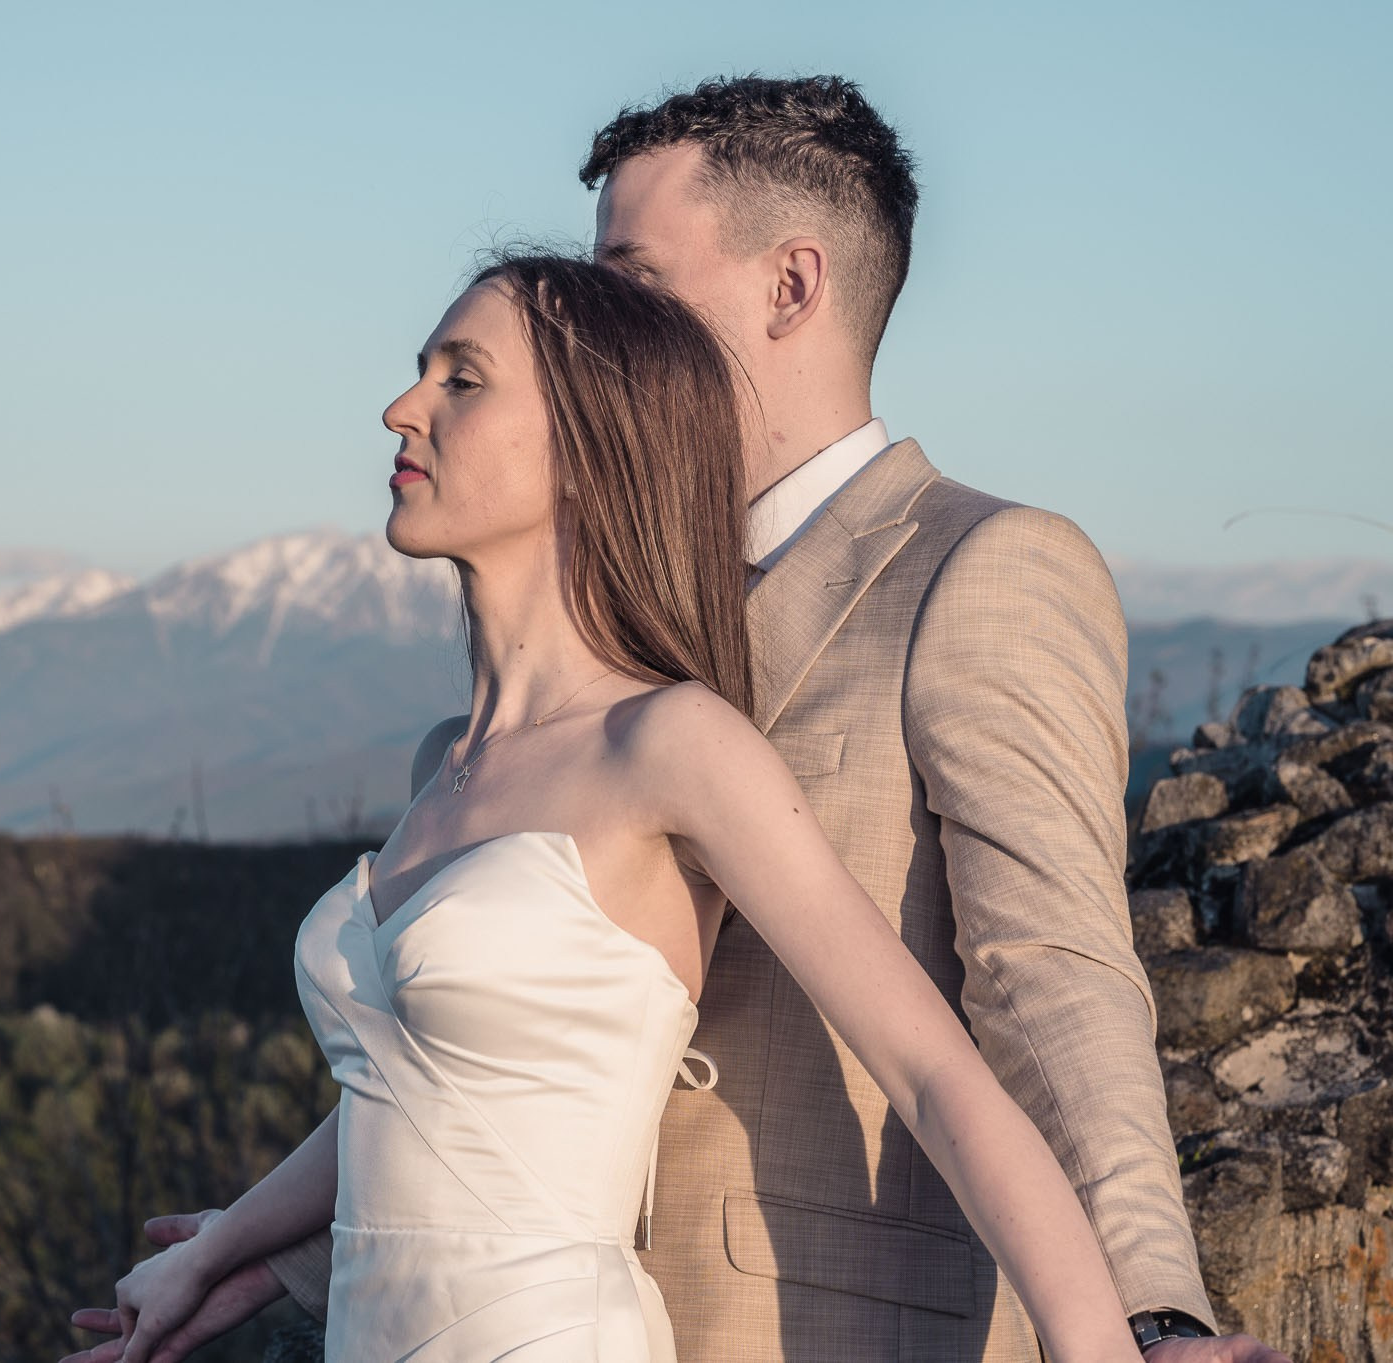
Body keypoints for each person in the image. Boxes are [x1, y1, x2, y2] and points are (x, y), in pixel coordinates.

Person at [65, 76, 1293, 1363]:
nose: (594, 320)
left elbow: (1054, 981)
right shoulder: (526, 703)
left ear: (789, 286)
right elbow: (499, 1065)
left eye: (630, 282)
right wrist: (261, 1260)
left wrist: (1147, 1319)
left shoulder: (976, 568)